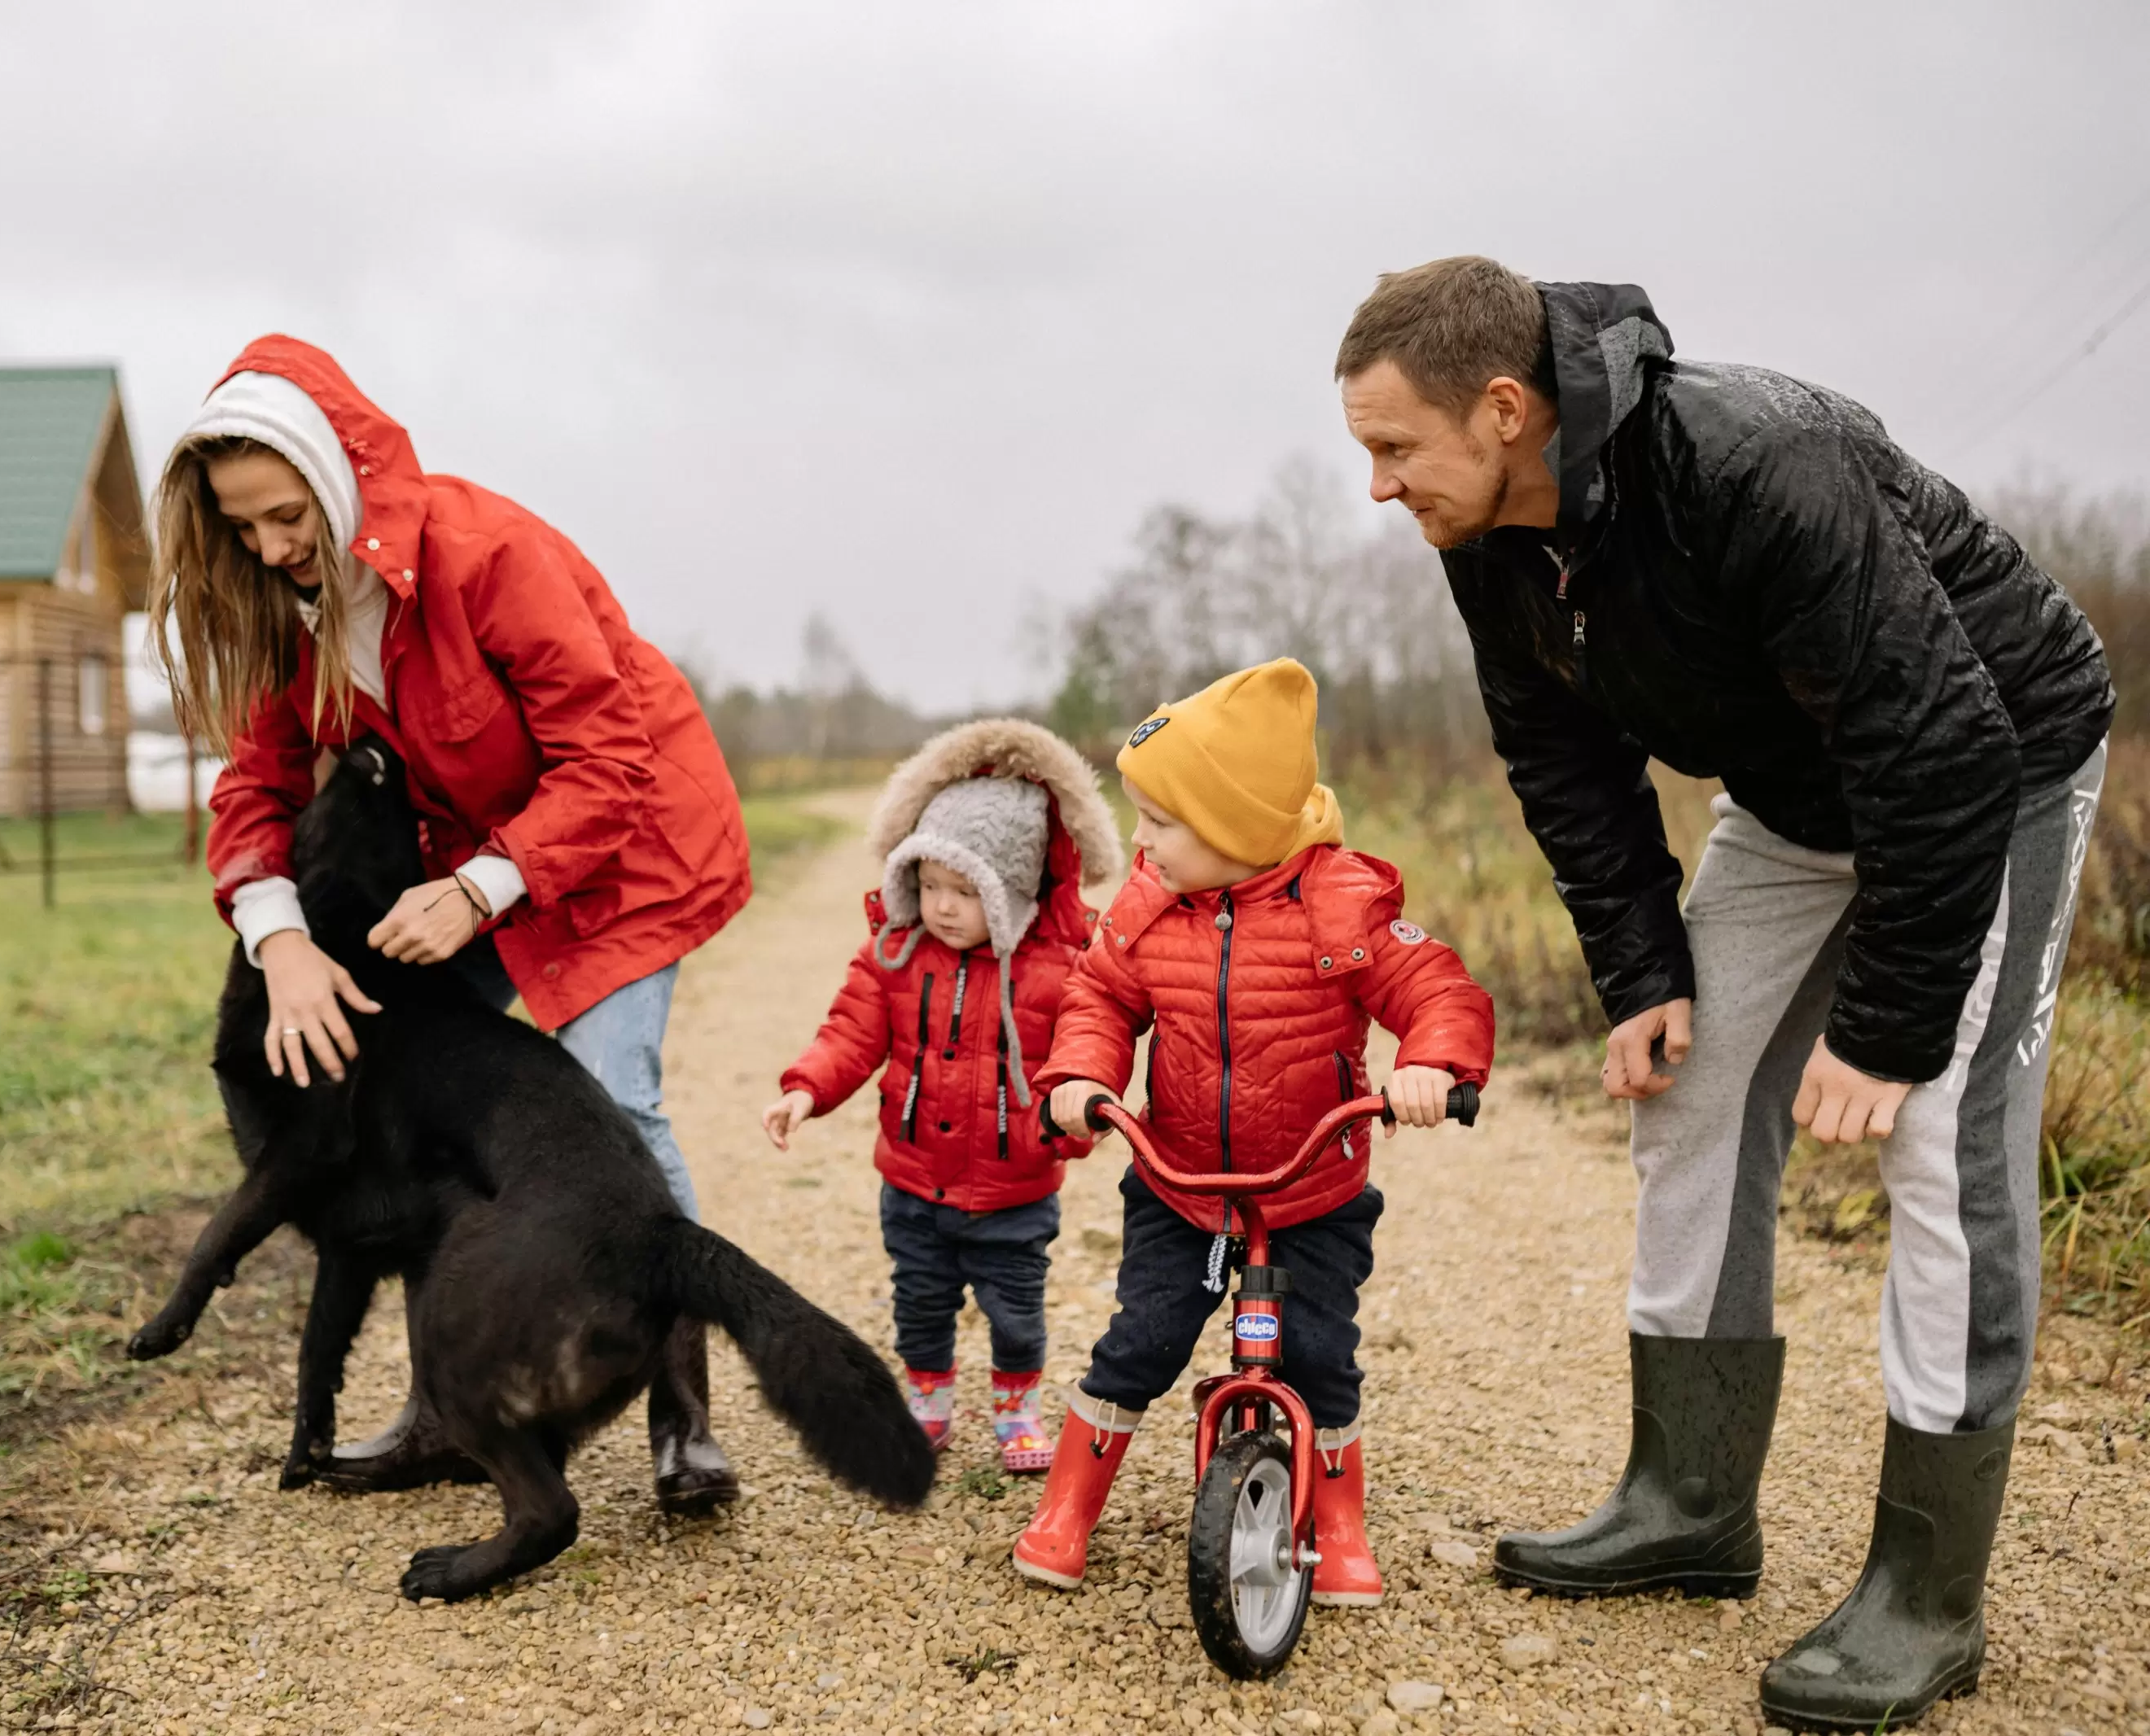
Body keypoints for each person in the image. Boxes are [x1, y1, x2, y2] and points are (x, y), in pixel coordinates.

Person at [1336, 257, 2113, 1729]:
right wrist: (1639, 972)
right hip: (1799, 793)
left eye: (1393, 448)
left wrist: (1885, 1026)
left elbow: (1937, 742)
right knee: (1685, 1083)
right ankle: (1688, 1497)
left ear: (1505, 408)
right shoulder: (1486, 531)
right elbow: (1561, 758)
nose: (1379, 486)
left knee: (1948, 1148)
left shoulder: (1758, 463)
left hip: (1990, 766)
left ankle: (1925, 1592)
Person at [149, 335, 755, 1514]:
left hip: (625, 846)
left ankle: (683, 1410)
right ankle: (443, 1406)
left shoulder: (492, 558)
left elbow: (605, 758)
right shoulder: (298, 613)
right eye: (244, 529)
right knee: (405, 1105)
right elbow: (254, 790)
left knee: (611, 1098)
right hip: (470, 862)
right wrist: (279, 943)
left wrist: (484, 888)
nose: (271, 550)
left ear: (334, 480)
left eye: (285, 517)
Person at [1014, 658, 1495, 1607]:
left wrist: (1431, 1062)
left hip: (1310, 1191)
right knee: (1143, 1339)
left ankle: (1341, 1523)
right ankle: (1067, 1508)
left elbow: (1433, 984)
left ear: (1235, 826)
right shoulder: (1147, 914)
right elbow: (1098, 1001)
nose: (1139, 846)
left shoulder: (1340, 905)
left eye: (1159, 823)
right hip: (1182, 1186)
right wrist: (1079, 1076)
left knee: (1318, 1356)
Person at [763, 719, 1119, 1472]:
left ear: (1015, 891)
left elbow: (1083, 1056)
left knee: (1016, 1310)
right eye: (929, 886)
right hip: (913, 1180)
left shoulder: (1058, 971)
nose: (944, 907)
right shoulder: (895, 955)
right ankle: (926, 1396)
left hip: (1014, 1189)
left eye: (967, 891)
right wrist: (805, 1089)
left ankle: (1017, 1403)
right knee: (919, 1301)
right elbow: (849, 1033)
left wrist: (1077, 1121)